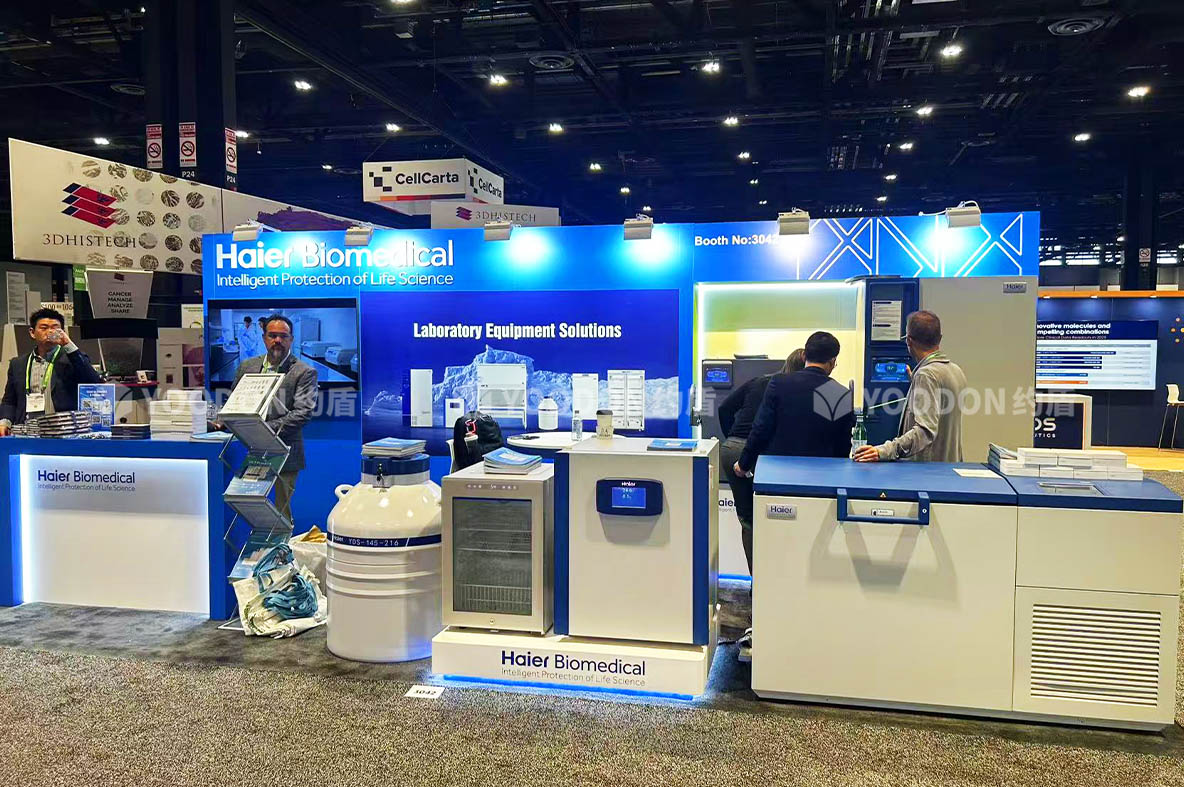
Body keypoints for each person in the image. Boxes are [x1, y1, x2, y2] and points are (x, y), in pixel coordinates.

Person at [718, 349, 805, 577]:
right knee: (775, 516)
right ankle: (770, 582)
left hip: (731, 449)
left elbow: (724, 408)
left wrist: (733, 438)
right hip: (759, 454)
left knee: (748, 520)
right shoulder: (794, 390)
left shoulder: (759, 380)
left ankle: (756, 584)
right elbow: (766, 429)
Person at [227, 314, 318, 520]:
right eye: (272, 335)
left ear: (291, 339)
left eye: (283, 336)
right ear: (264, 338)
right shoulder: (247, 366)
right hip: (250, 450)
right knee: (249, 508)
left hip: (284, 452)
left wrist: (261, 429)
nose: (277, 340)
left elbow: (302, 413)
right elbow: (234, 402)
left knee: (280, 514)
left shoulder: (304, 372)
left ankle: (280, 542)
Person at [854, 310, 966, 463]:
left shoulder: (926, 375)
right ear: (939, 338)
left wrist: (884, 451)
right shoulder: (955, 371)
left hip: (927, 472)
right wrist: (916, 385)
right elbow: (940, 414)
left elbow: (924, 431)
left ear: (909, 341)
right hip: (947, 468)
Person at [0, 308, 102, 435]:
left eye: (55, 328)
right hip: (26, 432)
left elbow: (94, 382)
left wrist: (68, 344)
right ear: (32, 332)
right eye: (44, 328)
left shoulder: (72, 360)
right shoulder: (18, 364)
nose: (49, 332)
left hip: (62, 433)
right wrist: (4, 422)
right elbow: (9, 400)